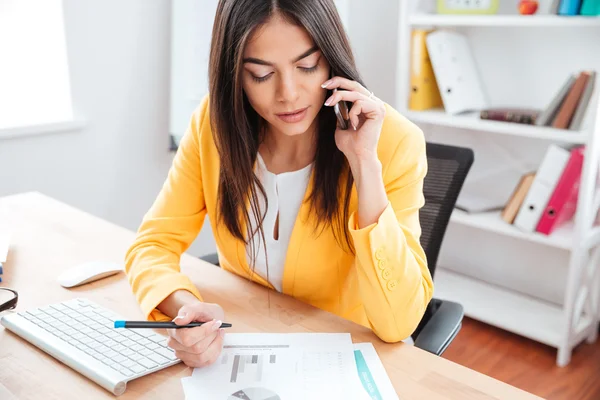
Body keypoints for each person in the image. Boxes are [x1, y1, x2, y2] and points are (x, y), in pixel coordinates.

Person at [124, 0, 433, 369]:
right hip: (245, 352)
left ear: (331, 58)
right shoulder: (212, 125)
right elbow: (152, 244)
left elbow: (399, 323)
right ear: (234, 75)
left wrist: (364, 164)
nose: (288, 93)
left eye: (306, 66)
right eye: (261, 74)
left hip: (347, 361)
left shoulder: (392, 141)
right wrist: (185, 308)